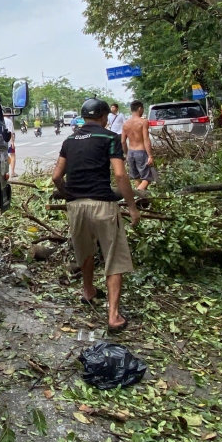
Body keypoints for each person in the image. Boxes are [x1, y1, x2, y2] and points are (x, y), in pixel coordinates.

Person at [52, 99, 141, 332]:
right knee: (114, 256)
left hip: (76, 207)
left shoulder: (69, 140)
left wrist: (68, 194)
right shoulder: (109, 138)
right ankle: (113, 317)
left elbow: (56, 177)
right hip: (103, 205)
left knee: (85, 250)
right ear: (103, 116)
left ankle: (89, 291)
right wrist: (131, 207)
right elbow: (120, 175)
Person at [121, 100, 156, 191]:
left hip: (131, 152)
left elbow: (123, 142)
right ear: (140, 108)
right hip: (141, 152)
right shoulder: (143, 122)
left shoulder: (125, 124)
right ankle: (136, 195)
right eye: (143, 109)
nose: (143, 111)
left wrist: (126, 154)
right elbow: (146, 139)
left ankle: (141, 201)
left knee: (136, 177)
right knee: (147, 178)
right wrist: (150, 156)